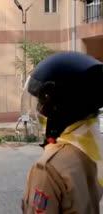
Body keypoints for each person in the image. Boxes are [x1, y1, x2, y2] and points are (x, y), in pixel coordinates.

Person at [22, 52, 103, 214]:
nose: (39, 111)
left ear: (59, 108)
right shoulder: (93, 150)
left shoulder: (48, 170)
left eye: (42, 104)